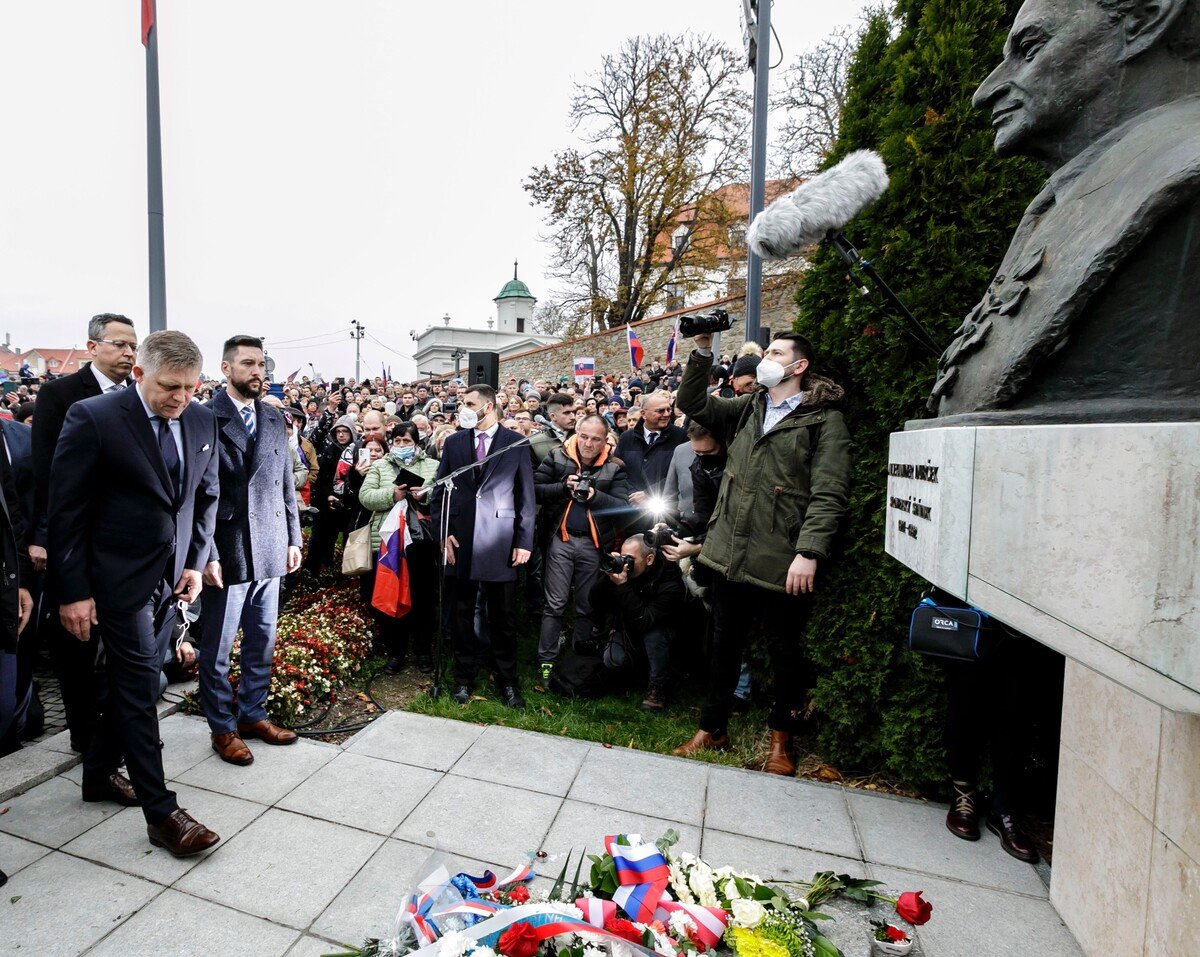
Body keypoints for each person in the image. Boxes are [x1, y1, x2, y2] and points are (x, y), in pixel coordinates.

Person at [49, 330, 221, 856]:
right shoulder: (94, 417)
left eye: (192, 387)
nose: (182, 398)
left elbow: (204, 496)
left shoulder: (200, 418)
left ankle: (99, 772)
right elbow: (66, 512)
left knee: (140, 686)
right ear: (140, 374)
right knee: (139, 686)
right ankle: (163, 813)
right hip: (116, 582)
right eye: (172, 386)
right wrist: (73, 591)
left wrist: (194, 561)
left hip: (170, 583)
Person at [672, 330, 851, 775]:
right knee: (723, 646)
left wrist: (809, 551)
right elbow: (695, 406)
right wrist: (701, 352)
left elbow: (829, 493)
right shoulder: (751, 406)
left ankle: (781, 740)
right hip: (729, 550)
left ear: (799, 366)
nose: (765, 358)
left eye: (775, 353)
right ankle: (712, 728)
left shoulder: (823, 421)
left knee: (783, 652)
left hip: (782, 556)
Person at [29, 313, 138, 753]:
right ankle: (83, 736)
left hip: (123, 542)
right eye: (119, 344)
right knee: (76, 640)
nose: (129, 353)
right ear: (92, 347)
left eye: (133, 345)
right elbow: (48, 472)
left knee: (122, 648)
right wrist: (41, 534)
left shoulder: (138, 394)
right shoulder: (61, 395)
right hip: (74, 536)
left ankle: (120, 730)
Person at [199, 336, 303, 767]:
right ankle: (222, 728)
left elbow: (285, 486)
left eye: (262, 363)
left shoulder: (275, 419)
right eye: (248, 364)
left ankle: (252, 715)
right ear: (226, 369)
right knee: (218, 647)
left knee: (261, 641)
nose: (258, 371)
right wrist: (204, 554)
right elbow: (196, 495)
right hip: (227, 550)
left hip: (272, 546)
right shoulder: (203, 418)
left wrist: (295, 538)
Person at [430, 385, 535, 708]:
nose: (464, 407)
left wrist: (524, 540)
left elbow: (526, 496)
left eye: (469, 403)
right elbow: (439, 492)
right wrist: (443, 532)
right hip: (460, 540)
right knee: (462, 614)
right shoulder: (455, 442)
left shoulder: (514, 443)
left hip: (500, 541)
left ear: (488, 407)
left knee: (502, 618)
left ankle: (508, 682)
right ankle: (463, 678)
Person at [533, 414, 631, 684]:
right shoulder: (557, 455)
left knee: (586, 606)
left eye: (596, 439)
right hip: (559, 540)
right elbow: (534, 488)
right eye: (584, 436)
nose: (588, 443)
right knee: (554, 605)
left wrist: (595, 496)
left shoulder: (615, 466)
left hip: (593, 544)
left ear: (605, 441)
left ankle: (579, 664)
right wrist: (563, 487)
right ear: (576, 432)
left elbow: (623, 505)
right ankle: (546, 663)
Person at [358, 422, 439, 672]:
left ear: (417, 442)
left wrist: (426, 495)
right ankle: (396, 652)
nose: (402, 446)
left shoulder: (432, 465)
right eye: (398, 441)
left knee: (423, 597)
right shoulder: (381, 465)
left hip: (421, 541)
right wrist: (391, 496)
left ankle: (423, 651)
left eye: (407, 441)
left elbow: (443, 493)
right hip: (388, 542)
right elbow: (365, 496)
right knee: (390, 595)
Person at [590, 534, 684, 710]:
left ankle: (658, 687)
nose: (625, 563)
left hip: (662, 637)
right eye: (623, 557)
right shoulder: (627, 573)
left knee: (654, 634)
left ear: (649, 559)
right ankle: (634, 676)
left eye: (630, 559)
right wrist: (609, 575)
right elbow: (594, 601)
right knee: (612, 660)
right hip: (630, 630)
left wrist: (623, 586)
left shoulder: (670, 583)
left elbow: (645, 621)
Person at [613, 391, 687, 514]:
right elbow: (617, 470)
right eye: (660, 411)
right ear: (643, 414)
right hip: (631, 509)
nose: (667, 414)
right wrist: (632, 494)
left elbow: (682, 473)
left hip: (667, 511)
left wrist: (648, 494)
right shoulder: (626, 438)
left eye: (669, 409)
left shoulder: (680, 436)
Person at [303, 414, 359, 573]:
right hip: (329, 501)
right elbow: (321, 479)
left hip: (350, 502)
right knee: (323, 537)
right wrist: (328, 495)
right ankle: (318, 568)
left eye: (345, 431)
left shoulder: (358, 450)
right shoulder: (330, 450)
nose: (341, 435)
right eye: (338, 431)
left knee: (350, 539)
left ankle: (347, 571)